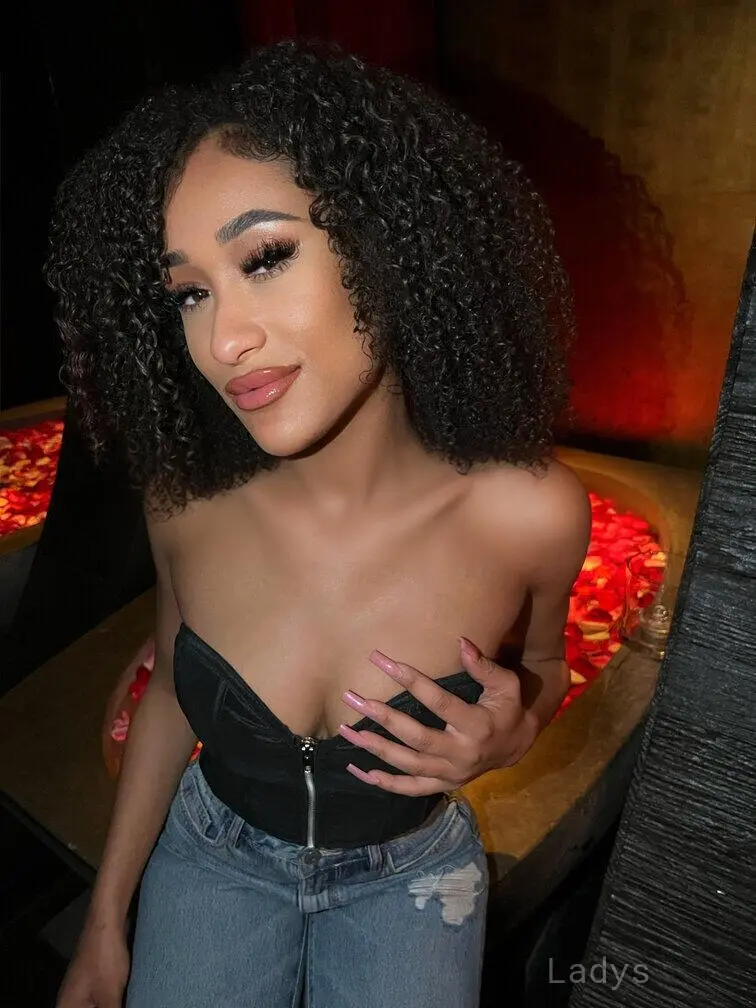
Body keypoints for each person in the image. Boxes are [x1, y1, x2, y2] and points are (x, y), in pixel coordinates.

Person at [50, 40, 592, 1008]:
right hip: (211, 858)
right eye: (190, 292)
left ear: (387, 245)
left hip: (413, 882)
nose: (223, 339)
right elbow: (172, 690)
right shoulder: (184, 499)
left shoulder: (531, 514)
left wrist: (514, 730)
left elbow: (543, 668)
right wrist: (104, 921)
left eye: (265, 258)